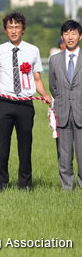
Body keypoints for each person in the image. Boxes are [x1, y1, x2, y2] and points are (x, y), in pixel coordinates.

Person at [0, 12, 51, 191]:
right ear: (5, 30)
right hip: (4, 103)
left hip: (25, 104)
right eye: (10, 27)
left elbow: (37, 79)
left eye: (17, 27)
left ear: (23, 29)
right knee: (2, 147)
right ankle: (2, 186)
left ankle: (25, 186)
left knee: (25, 146)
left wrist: (45, 94)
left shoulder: (33, 50)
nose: (13, 30)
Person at [49, 20, 82, 191]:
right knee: (64, 155)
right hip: (62, 113)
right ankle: (67, 188)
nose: (70, 37)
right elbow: (53, 87)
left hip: (80, 112)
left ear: (80, 36)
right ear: (62, 37)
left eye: (74, 33)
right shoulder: (54, 60)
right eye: (67, 33)